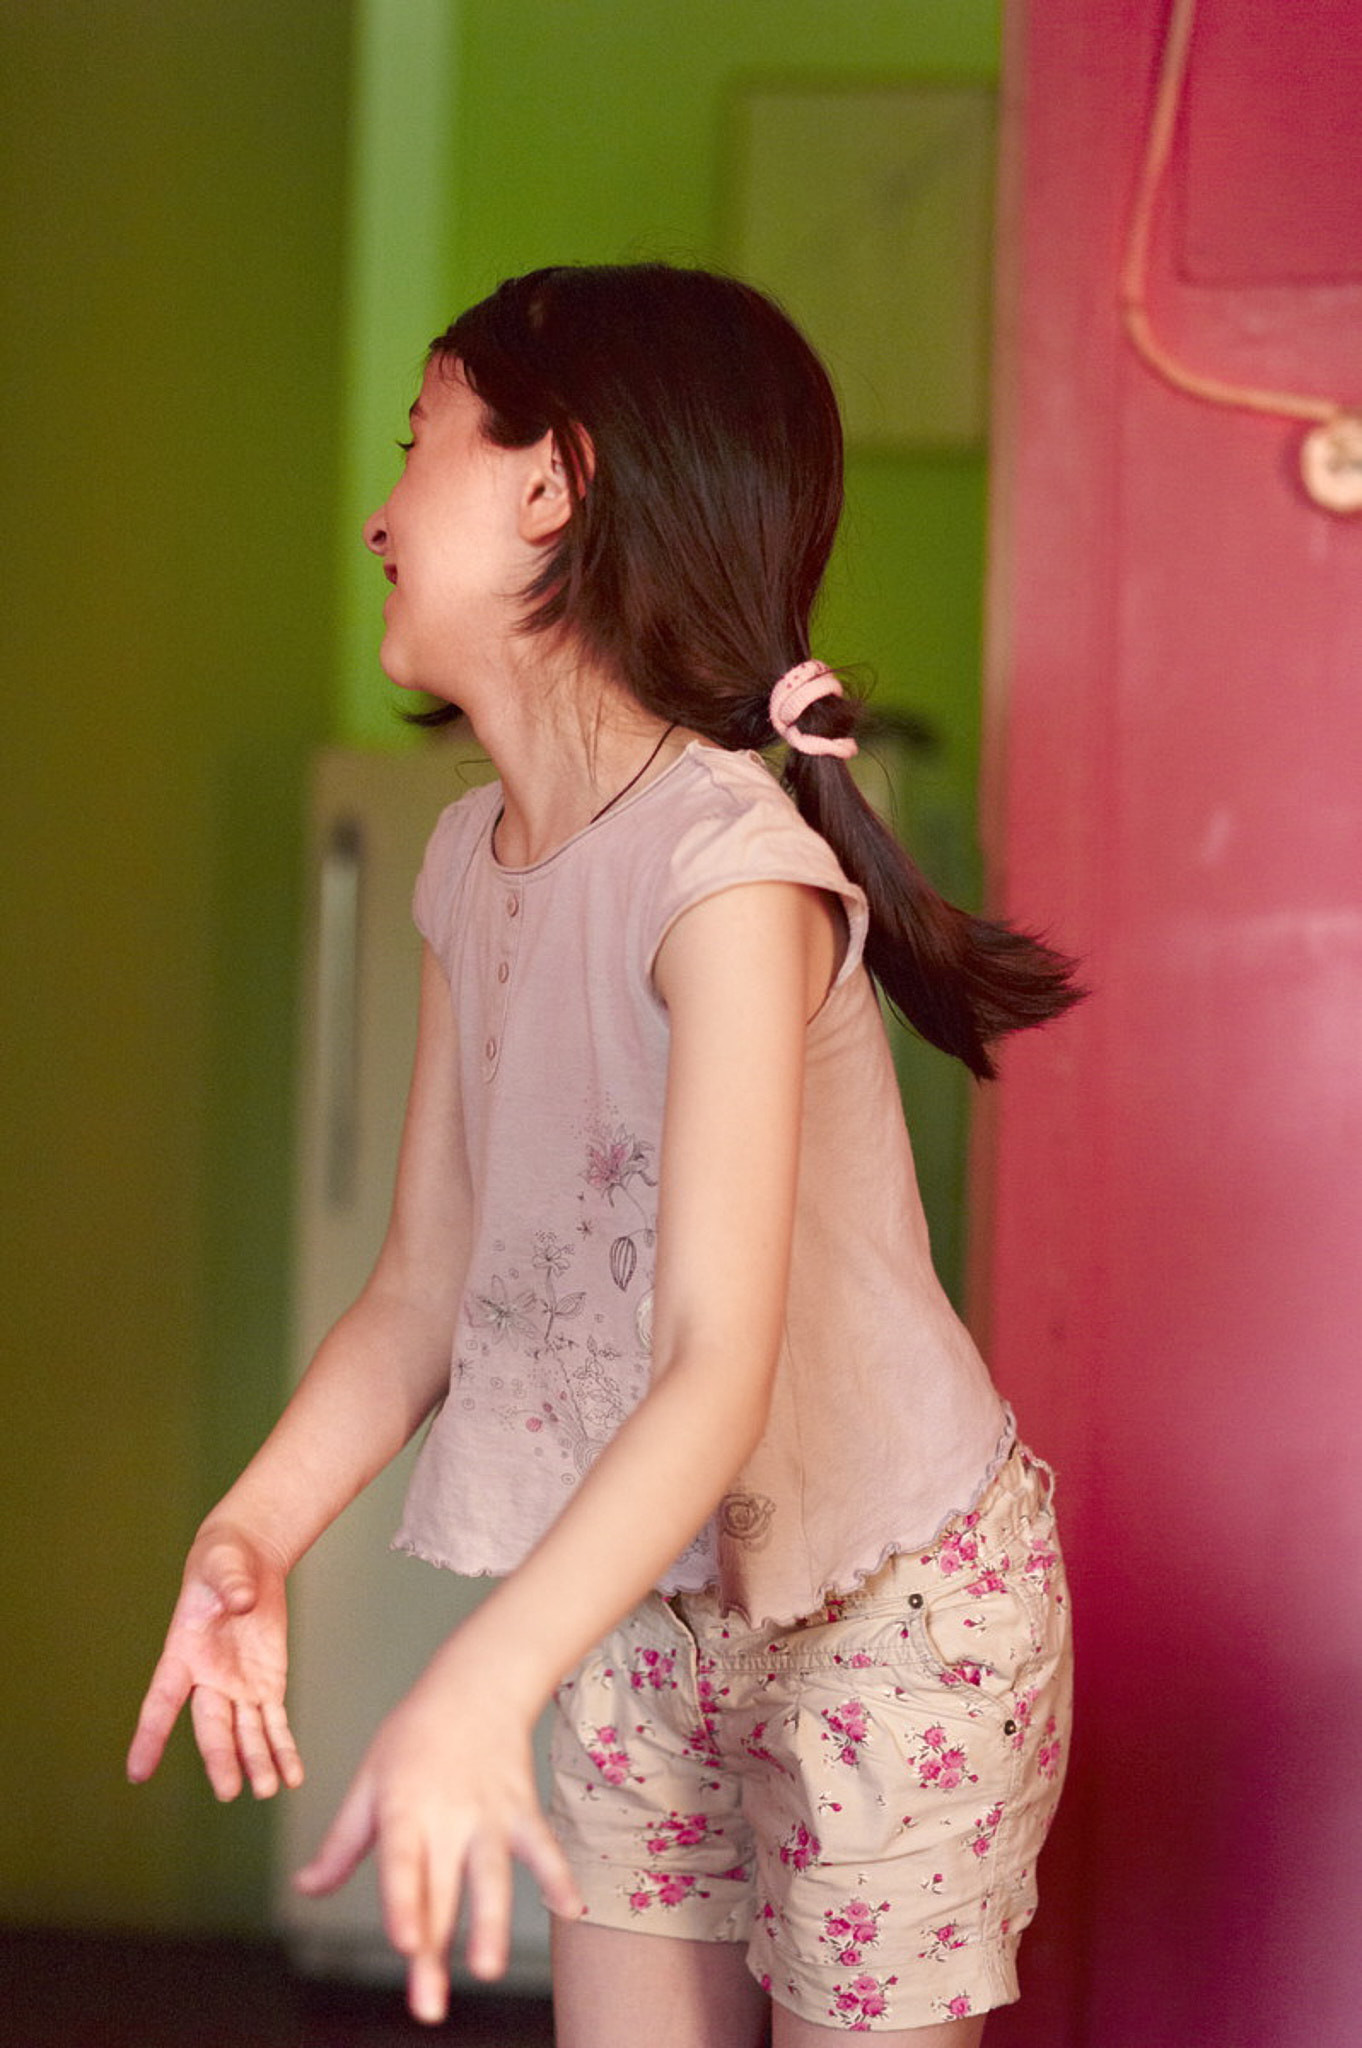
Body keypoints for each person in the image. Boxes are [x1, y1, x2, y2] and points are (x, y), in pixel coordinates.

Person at [128, 264, 1079, 2046]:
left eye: (415, 443)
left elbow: (716, 1364)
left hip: (889, 1615)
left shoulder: (726, 873)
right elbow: (421, 1291)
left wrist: (480, 1681)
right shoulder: (467, 864)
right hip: (641, 1600)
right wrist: (250, 1530)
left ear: (551, 485)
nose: (376, 514)